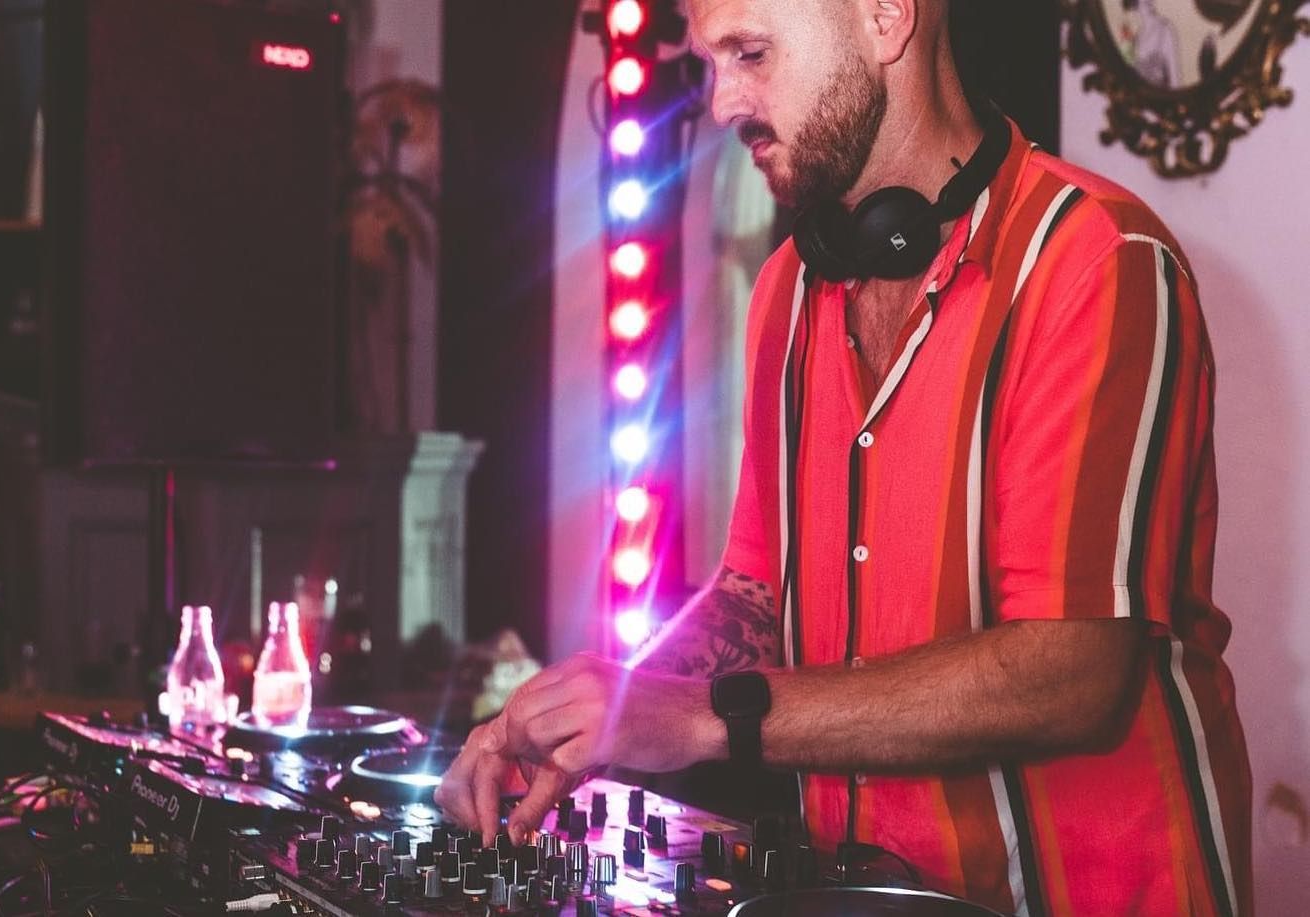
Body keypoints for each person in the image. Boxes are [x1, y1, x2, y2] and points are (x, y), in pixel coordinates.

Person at [437, 1, 1252, 913]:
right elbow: (754, 591)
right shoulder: (787, 291)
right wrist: (610, 710)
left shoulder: (1098, 262)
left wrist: (696, 719)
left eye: (749, 52)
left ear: (884, 17)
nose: (720, 103)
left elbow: (1074, 673)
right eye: (711, 62)